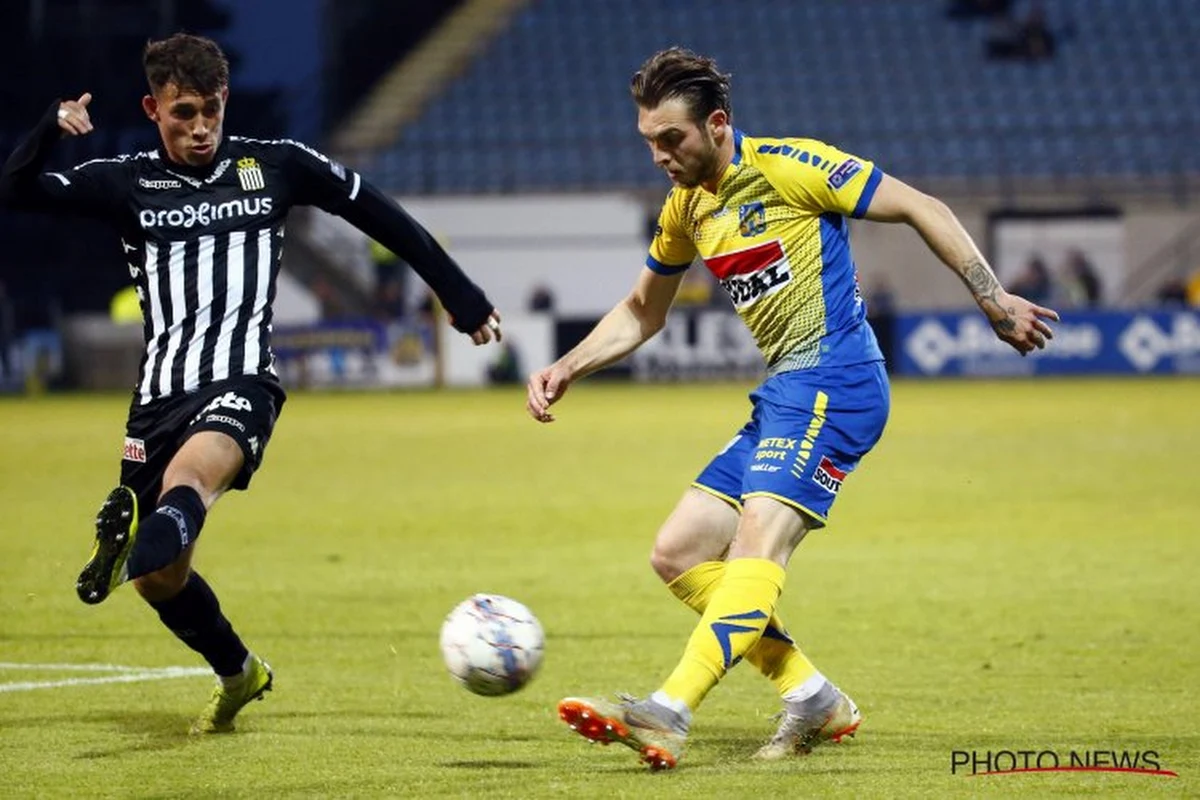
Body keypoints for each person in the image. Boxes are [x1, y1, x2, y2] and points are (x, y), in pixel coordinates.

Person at [526, 47, 1057, 770]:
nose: (658, 156)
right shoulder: (687, 209)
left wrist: (992, 298)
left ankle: (668, 710)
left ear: (717, 125)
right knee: (677, 552)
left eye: (671, 139)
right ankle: (813, 699)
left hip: (837, 380)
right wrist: (568, 366)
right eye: (648, 141)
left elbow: (919, 206)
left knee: (755, 546)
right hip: (784, 391)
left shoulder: (790, 165)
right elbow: (641, 312)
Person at [0, 33, 502, 734]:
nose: (200, 127)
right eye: (183, 114)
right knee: (162, 580)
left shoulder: (275, 167)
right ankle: (239, 671)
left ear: (225, 100)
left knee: (192, 482)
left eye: (209, 110)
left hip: (243, 382)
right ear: (153, 109)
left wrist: (462, 294)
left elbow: (380, 213)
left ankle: (129, 547)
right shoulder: (124, 183)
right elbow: (14, 191)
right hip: (157, 399)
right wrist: (50, 128)